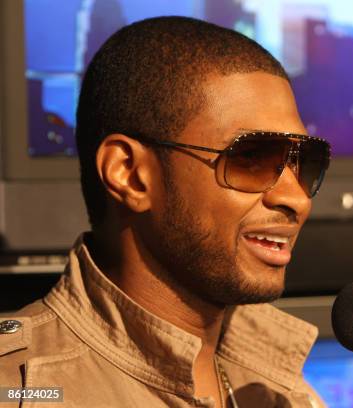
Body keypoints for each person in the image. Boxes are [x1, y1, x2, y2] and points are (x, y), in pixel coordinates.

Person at [0, 16, 330, 408]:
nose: (297, 199)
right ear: (129, 174)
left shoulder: (287, 389)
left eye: (304, 163)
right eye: (252, 158)